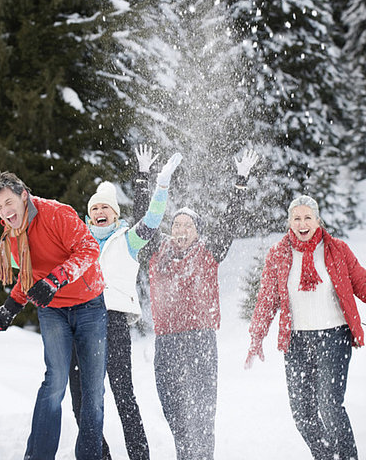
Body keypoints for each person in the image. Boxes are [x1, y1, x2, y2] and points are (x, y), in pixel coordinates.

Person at [134, 148, 259, 460]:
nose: (180, 229)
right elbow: (143, 219)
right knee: (173, 410)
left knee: (201, 414)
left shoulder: (209, 252)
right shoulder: (155, 251)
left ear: (198, 232)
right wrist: (143, 177)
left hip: (199, 340)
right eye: (176, 225)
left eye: (187, 225)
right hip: (165, 342)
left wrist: (240, 181)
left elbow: (229, 222)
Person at [0, 171, 107, 460]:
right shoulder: (13, 234)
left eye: (8, 202)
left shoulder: (55, 214)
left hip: (89, 306)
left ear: (23, 195)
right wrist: (9, 308)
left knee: (92, 390)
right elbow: (29, 277)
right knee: (54, 382)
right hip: (52, 311)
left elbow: (89, 249)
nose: (5, 211)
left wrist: (56, 280)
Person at [69, 149, 182, 460]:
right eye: (95, 208)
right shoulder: (76, 245)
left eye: (106, 207)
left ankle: (139, 456)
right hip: (79, 324)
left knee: (122, 395)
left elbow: (153, 220)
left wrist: (160, 185)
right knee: (80, 399)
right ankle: (100, 455)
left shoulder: (127, 240)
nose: (100, 211)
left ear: (115, 214)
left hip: (113, 323)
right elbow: (38, 260)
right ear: (89, 214)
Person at [245, 195, 366, 460]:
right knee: (303, 413)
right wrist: (256, 336)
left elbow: (361, 282)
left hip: (334, 337)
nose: (302, 223)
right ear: (289, 222)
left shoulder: (337, 250)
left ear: (317, 220)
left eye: (307, 217)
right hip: (297, 342)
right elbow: (266, 298)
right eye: (296, 218)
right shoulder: (279, 254)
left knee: (330, 406)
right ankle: (325, 456)